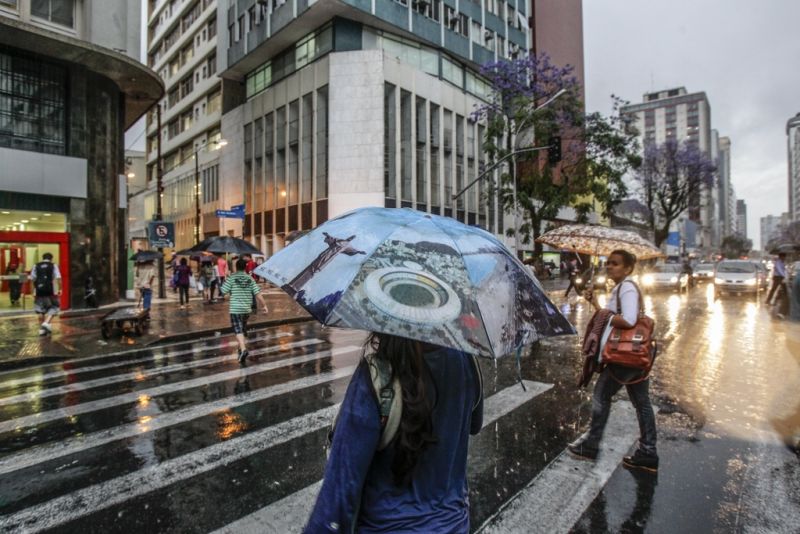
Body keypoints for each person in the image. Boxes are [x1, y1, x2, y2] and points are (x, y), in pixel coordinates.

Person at [305, 333, 484, 533]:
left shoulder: (377, 374)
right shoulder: (465, 358)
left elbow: (339, 491)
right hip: (453, 523)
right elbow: (474, 424)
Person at [568, 249, 659, 473]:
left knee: (601, 395)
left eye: (615, 264)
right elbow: (611, 316)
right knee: (641, 402)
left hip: (624, 356)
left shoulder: (626, 287)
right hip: (634, 355)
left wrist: (605, 313)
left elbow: (627, 319)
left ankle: (591, 445)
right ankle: (648, 452)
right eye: (608, 263)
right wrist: (597, 304)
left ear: (627, 268)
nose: (609, 266)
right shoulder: (621, 288)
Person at [220, 258, 269, 363]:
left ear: (236, 267)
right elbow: (258, 293)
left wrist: (226, 280)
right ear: (245, 267)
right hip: (247, 309)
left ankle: (243, 349)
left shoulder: (232, 278)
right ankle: (240, 350)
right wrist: (264, 305)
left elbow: (223, 291)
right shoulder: (250, 278)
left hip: (235, 309)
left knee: (238, 330)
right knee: (242, 330)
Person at [29, 252, 61, 336]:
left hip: (39, 290)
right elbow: (58, 278)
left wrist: (33, 291)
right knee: (54, 307)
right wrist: (60, 289)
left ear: (42, 258)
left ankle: (42, 330)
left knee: (40, 310)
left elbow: (32, 279)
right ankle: (46, 323)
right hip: (50, 290)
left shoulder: (36, 265)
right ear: (51, 258)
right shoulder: (53, 265)